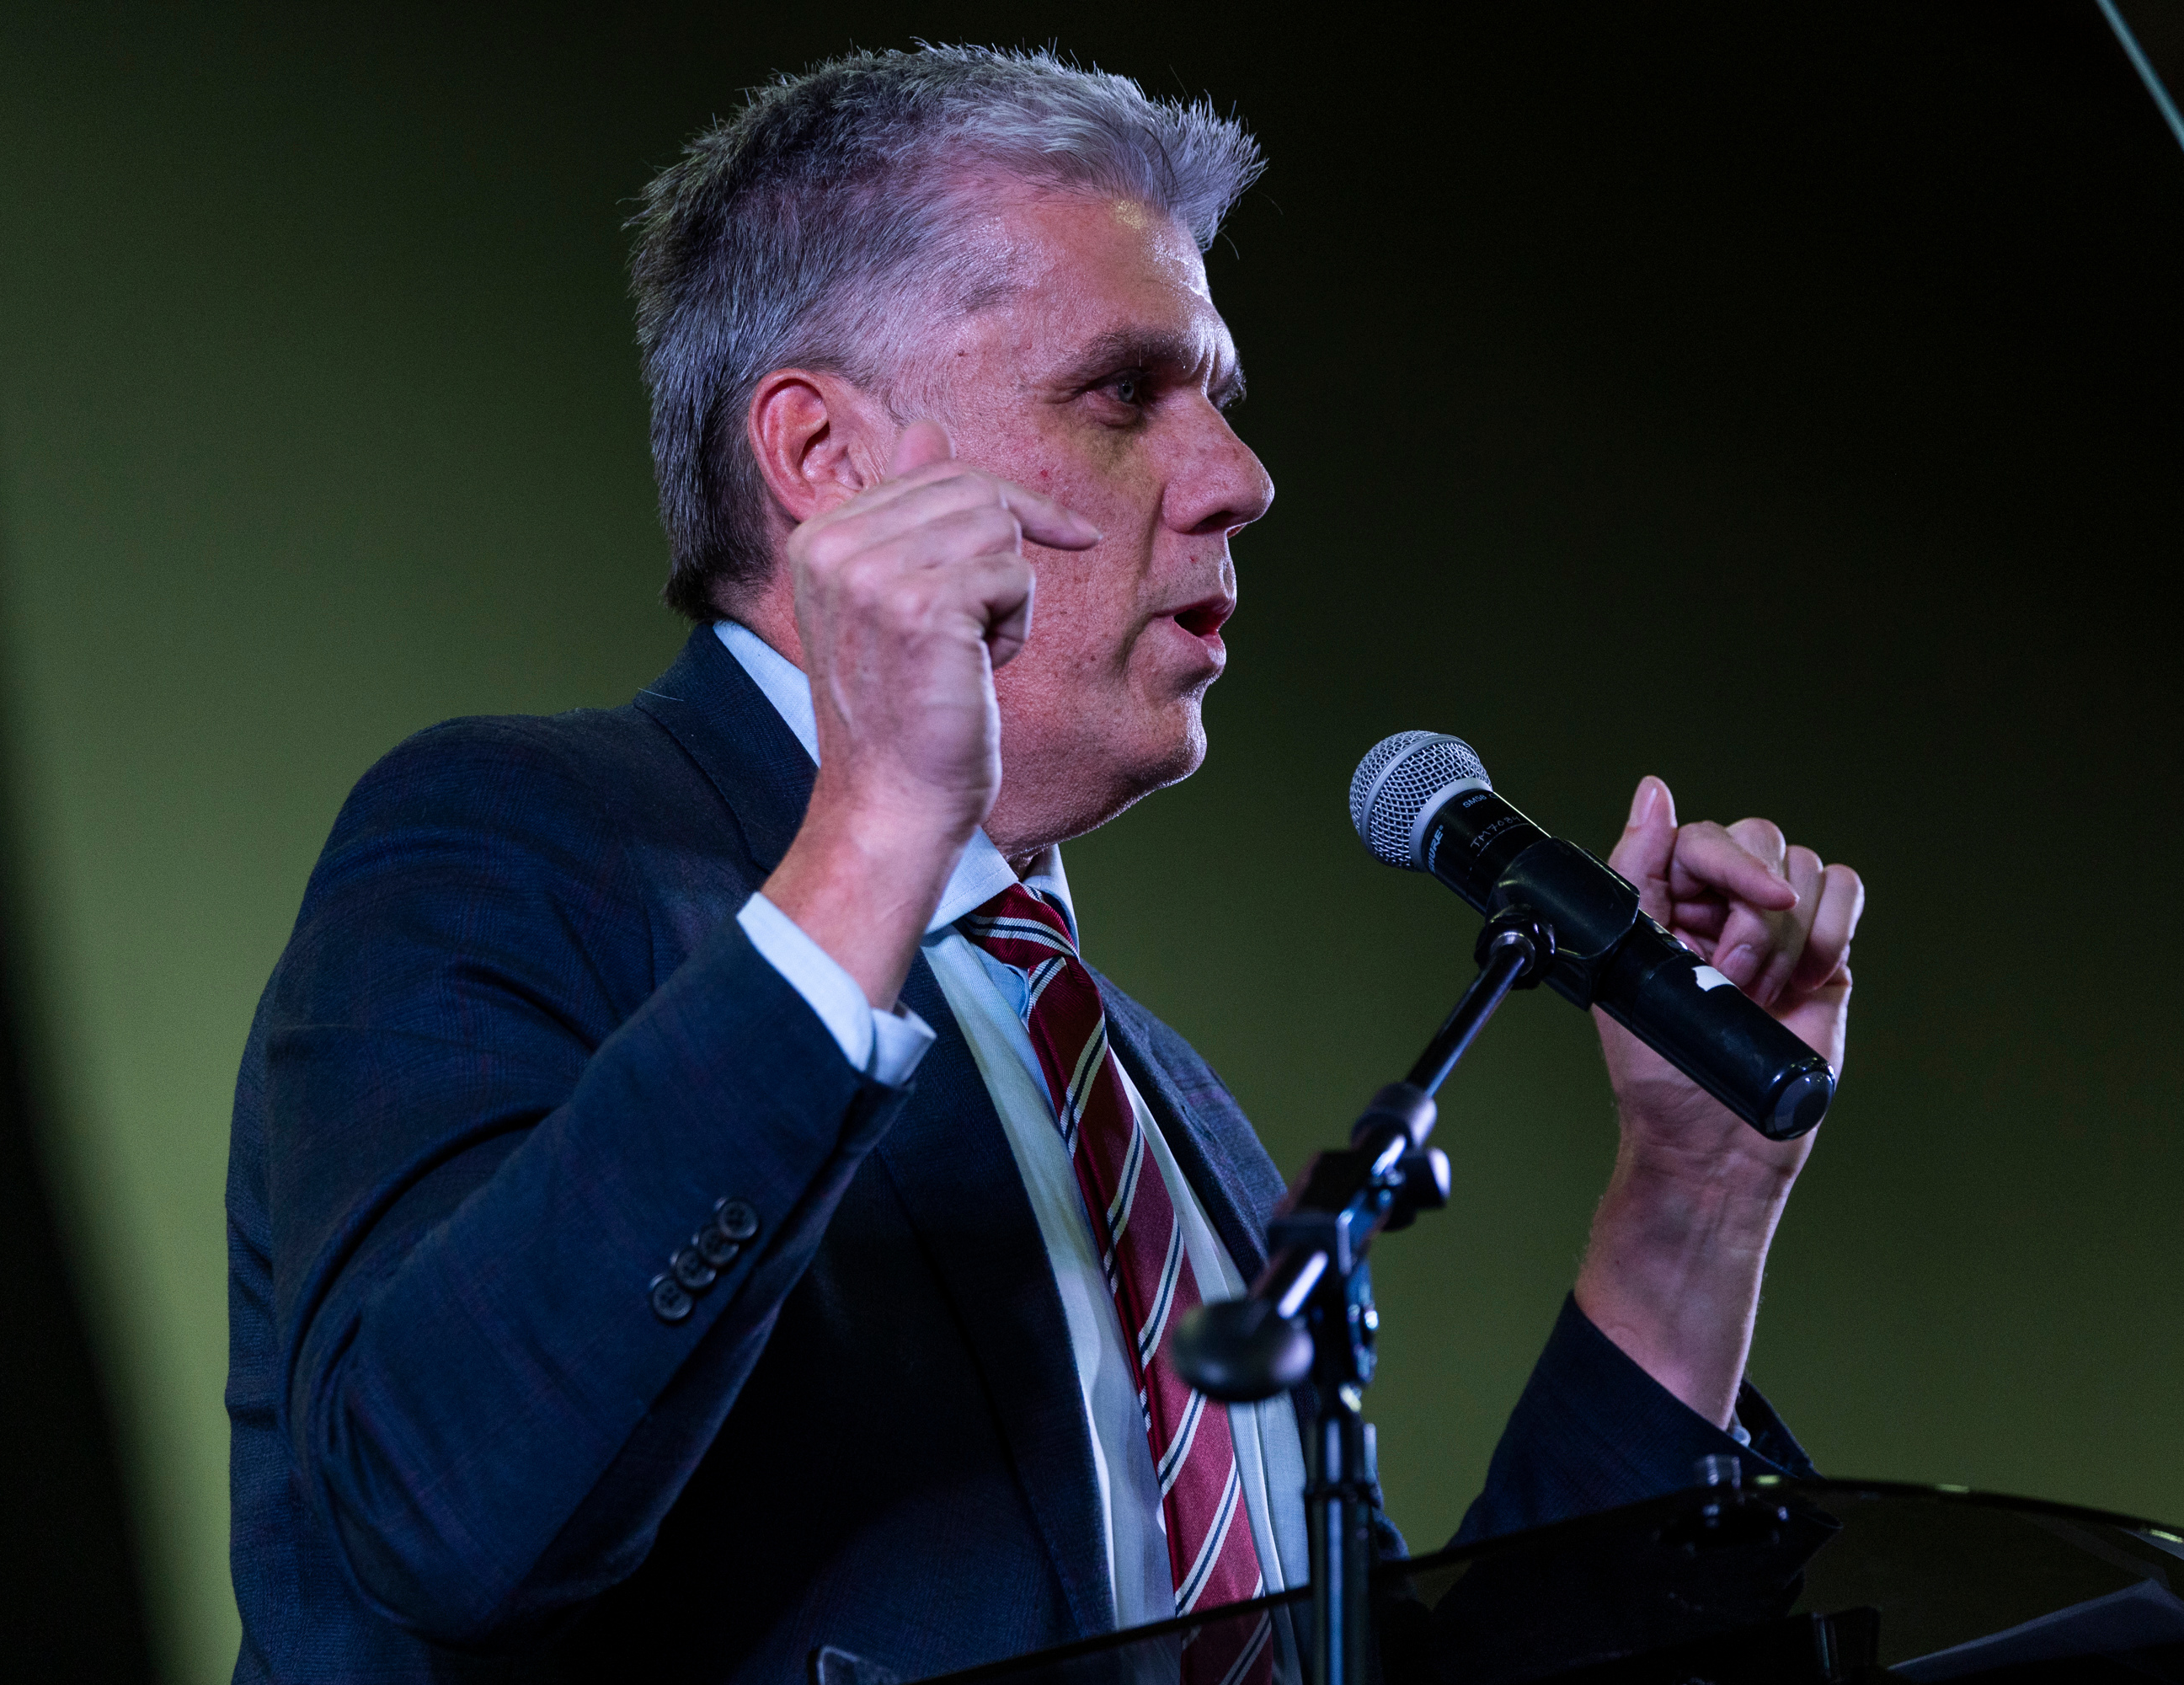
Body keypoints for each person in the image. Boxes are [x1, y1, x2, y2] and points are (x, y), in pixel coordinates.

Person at [225, 45, 1863, 1685]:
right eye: (1123, 393)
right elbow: (436, 1517)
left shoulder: (1157, 1106)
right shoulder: (515, 846)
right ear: (827, 461)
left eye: (1217, 398)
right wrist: (878, 823)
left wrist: (1691, 1205)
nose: (1240, 478)